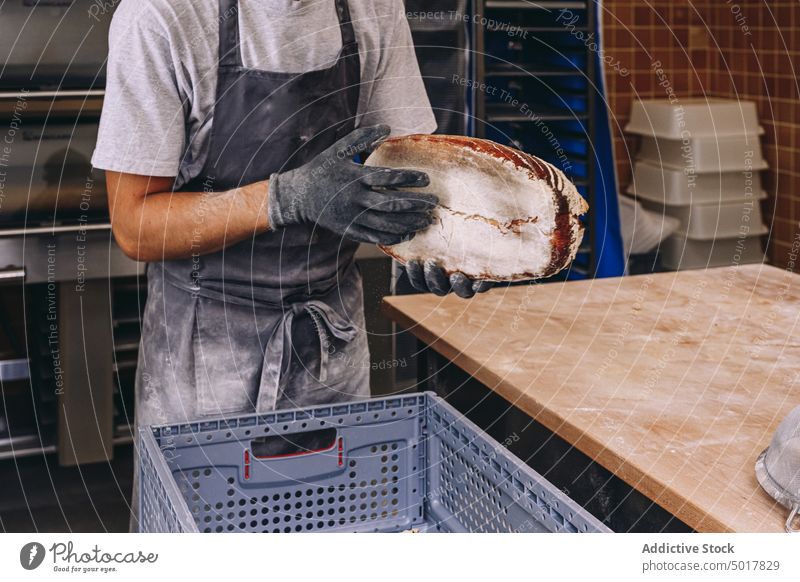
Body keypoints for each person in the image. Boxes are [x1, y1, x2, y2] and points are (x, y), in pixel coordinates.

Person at [91, 0, 491, 532]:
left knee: (334, 536)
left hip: (330, 347)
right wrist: (286, 198)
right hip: (205, 362)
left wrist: (431, 242)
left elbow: (406, 164)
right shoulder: (163, 16)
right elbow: (135, 225)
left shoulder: (373, 8)